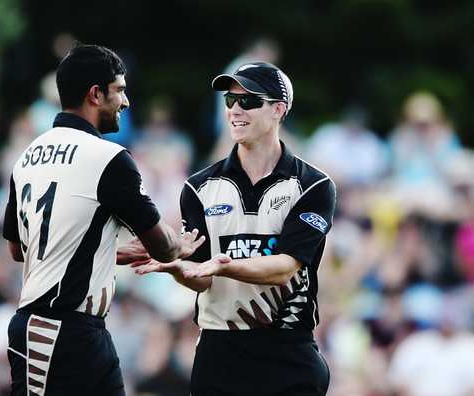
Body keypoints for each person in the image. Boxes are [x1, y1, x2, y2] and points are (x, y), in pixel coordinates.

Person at [1, 43, 204, 396]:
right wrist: (180, 245)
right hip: (56, 329)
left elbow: (19, 249)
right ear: (95, 94)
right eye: (120, 91)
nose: (125, 102)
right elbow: (163, 245)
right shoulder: (108, 158)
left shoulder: (27, 156)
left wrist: (108, 252)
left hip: (77, 330)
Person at [136, 62, 336, 395]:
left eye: (248, 101)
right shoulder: (198, 187)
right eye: (230, 100)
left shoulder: (313, 185)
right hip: (220, 352)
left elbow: (285, 267)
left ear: (278, 110)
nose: (235, 110)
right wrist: (178, 271)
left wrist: (225, 265)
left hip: (286, 348)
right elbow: (202, 278)